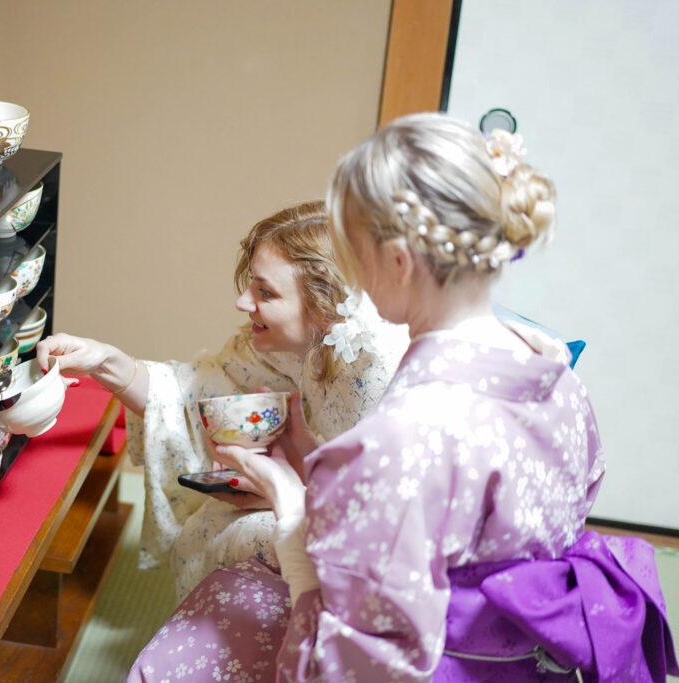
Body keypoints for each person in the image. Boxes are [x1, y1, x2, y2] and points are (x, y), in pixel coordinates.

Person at [127, 114, 678, 681]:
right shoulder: (555, 373)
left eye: (351, 252)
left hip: (441, 662)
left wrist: (291, 506)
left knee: (186, 648)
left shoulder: (402, 435)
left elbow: (350, 661)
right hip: (526, 658)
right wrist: (315, 458)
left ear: (397, 260)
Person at [36, 201, 408, 598]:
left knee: (236, 533)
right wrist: (104, 361)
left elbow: (389, 523)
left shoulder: (384, 374)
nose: (244, 303)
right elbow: (193, 393)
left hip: (384, 551)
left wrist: (280, 490)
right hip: (332, 506)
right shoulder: (301, 342)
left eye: (265, 292)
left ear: (324, 304)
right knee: (214, 523)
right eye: (251, 284)